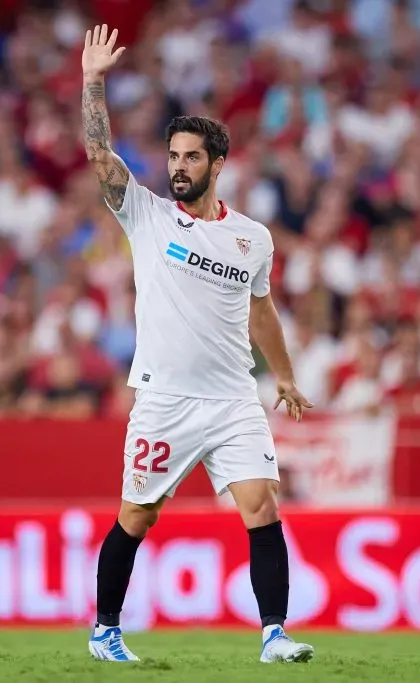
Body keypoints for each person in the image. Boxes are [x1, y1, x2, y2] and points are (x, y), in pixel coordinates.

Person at [81, 25, 314, 663]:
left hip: (234, 396)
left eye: (190, 158)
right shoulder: (147, 215)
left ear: (216, 164)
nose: (177, 167)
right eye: (173, 156)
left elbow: (260, 309)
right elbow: (101, 158)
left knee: (263, 506)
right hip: (165, 399)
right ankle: (105, 630)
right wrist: (93, 81)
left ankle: (273, 635)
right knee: (138, 516)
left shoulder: (251, 238)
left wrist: (285, 377)